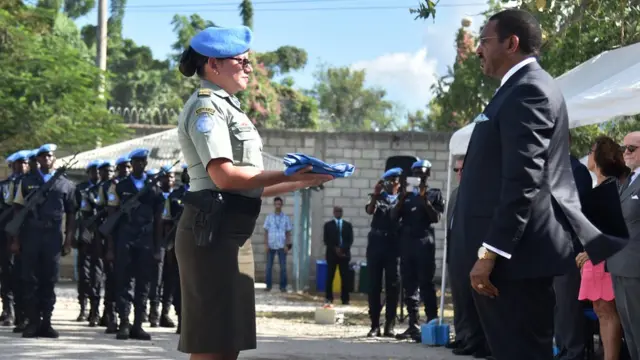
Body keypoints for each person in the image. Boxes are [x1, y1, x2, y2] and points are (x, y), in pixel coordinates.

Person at [457, 9, 626, 360]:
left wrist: (490, 253)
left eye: (484, 42)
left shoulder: (529, 89)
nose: (478, 51)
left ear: (511, 43)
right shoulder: (519, 89)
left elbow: (523, 180)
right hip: (510, 261)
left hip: (513, 263)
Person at [174, 25, 333, 360]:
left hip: (231, 232)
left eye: (248, 62)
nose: (248, 68)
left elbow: (251, 184)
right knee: (212, 344)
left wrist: (308, 179)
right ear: (213, 64)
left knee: (228, 342)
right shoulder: (207, 107)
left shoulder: (230, 107)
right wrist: (287, 172)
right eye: (241, 61)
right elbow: (225, 177)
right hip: (211, 233)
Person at [11, 143, 76, 338]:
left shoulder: (66, 184)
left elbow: (71, 214)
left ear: (54, 159)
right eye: (43, 156)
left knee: (49, 279)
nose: (47, 159)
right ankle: (32, 322)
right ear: (37, 160)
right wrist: (15, 239)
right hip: (31, 236)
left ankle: (46, 322)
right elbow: (17, 211)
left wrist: (68, 240)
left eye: (50, 156)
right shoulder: (25, 182)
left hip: (53, 237)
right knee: (30, 279)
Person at [575, 136, 629, 360]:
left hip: (603, 259)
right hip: (593, 259)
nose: (587, 155)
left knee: (607, 312)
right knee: (600, 310)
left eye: (590, 151)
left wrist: (592, 251)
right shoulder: (599, 185)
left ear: (598, 155)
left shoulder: (612, 186)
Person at [106, 148, 163, 341]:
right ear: (131, 164)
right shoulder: (120, 186)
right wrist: (111, 248)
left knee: (144, 284)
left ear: (146, 163)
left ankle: (138, 324)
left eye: (142, 161)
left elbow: (158, 220)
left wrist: (157, 248)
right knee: (123, 282)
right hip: (125, 239)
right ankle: (124, 322)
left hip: (146, 241)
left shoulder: (154, 187)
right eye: (136, 162)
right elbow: (111, 217)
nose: (139, 165)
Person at [393, 160, 445, 342]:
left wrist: (424, 200)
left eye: (422, 174)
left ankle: (431, 321)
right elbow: (394, 217)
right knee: (409, 284)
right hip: (407, 243)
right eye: (416, 174)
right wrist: (401, 197)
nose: (419, 177)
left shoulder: (434, 194)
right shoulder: (405, 195)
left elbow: (435, 217)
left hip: (424, 243)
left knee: (426, 283)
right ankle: (413, 324)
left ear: (428, 174)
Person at [553, 141, 592, 360]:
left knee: (569, 305)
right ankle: (563, 349)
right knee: (558, 306)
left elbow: (578, 213)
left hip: (570, 248)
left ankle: (575, 352)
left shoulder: (577, 170)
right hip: (552, 248)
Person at [608, 131, 640, 360]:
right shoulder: (627, 179)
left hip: (635, 267)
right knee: (629, 329)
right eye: (623, 148)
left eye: (631, 148)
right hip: (619, 263)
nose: (625, 153)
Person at [364, 168, 402, 338]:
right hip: (376, 243)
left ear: (398, 184)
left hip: (393, 244)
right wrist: (375, 193)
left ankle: (389, 325)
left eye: (394, 181)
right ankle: (374, 325)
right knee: (374, 285)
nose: (391, 184)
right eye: (388, 182)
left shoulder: (402, 199)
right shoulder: (378, 198)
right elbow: (370, 210)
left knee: (392, 286)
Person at [74, 159, 102, 325]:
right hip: (84, 233)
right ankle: (83, 308)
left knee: (97, 274)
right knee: (83, 274)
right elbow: (76, 211)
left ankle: (95, 309)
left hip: (99, 235)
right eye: (93, 170)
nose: (96, 174)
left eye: (99, 171)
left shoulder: (106, 188)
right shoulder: (81, 188)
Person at [323, 206, 353, 305]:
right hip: (332, 255)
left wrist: (343, 249)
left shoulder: (347, 225)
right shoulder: (328, 225)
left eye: (340, 211)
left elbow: (350, 240)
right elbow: (326, 240)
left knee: (345, 277)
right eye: (336, 211)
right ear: (333, 212)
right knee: (330, 277)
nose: (338, 213)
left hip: (344, 255)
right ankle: (328, 297)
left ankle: (345, 298)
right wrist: (335, 249)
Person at [263, 197, 292, 292]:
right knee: (269, 267)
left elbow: (288, 232)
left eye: (279, 204)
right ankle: (268, 285)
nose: (278, 206)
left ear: (282, 205)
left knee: (283, 267)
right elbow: (266, 231)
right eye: (276, 204)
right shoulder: (269, 217)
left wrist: (287, 245)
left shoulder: (286, 218)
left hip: (281, 245)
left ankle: (283, 286)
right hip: (271, 245)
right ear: (274, 205)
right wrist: (266, 244)